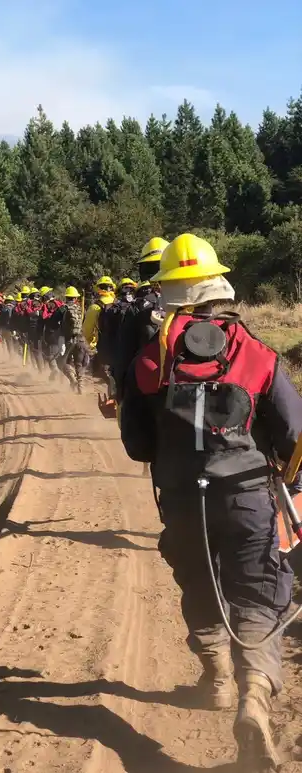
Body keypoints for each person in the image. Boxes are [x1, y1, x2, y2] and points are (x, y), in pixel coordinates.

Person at [120, 233, 302, 770]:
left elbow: (137, 446)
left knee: (199, 582)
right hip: (247, 498)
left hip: (180, 502)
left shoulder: (149, 361)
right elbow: (295, 434)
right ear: (218, 287)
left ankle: (217, 677)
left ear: (169, 294)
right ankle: (253, 695)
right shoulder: (257, 352)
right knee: (258, 593)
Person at [114, 238, 168, 401]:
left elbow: (123, 356)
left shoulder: (136, 308)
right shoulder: (191, 303)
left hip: (146, 385)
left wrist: (120, 391)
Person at [83, 276, 116, 380]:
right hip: (122, 346)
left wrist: (90, 344)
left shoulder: (95, 307)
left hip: (104, 347)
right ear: (112, 288)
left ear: (98, 289)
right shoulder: (119, 303)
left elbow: (87, 331)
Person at [60, 286, 88, 394]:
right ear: (75, 298)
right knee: (79, 364)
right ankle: (81, 388)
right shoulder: (81, 309)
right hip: (81, 340)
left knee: (63, 362)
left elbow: (63, 326)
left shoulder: (64, 310)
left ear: (67, 298)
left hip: (69, 341)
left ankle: (72, 379)